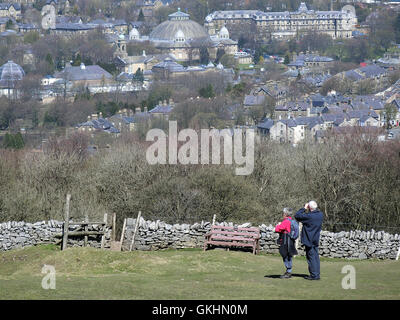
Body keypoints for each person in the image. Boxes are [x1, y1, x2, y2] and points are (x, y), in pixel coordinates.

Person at [294, 201, 324, 280]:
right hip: (315, 238)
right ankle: (317, 274)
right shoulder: (320, 215)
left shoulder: (309, 216)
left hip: (309, 239)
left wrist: (304, 208)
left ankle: (314, 275)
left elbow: (297, 216)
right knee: (316, 257)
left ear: (310, 207)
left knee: (311, 257)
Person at [275, 207, 298, 279]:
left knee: (285, 255)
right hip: (290, 241)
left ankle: (288, 271)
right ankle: (288, 271)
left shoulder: (286, 221)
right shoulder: (292, 221)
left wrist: (278, 225)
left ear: (285, 214)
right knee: (289, 255)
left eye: (283, 213)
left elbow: (277, 229)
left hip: (285, 241)